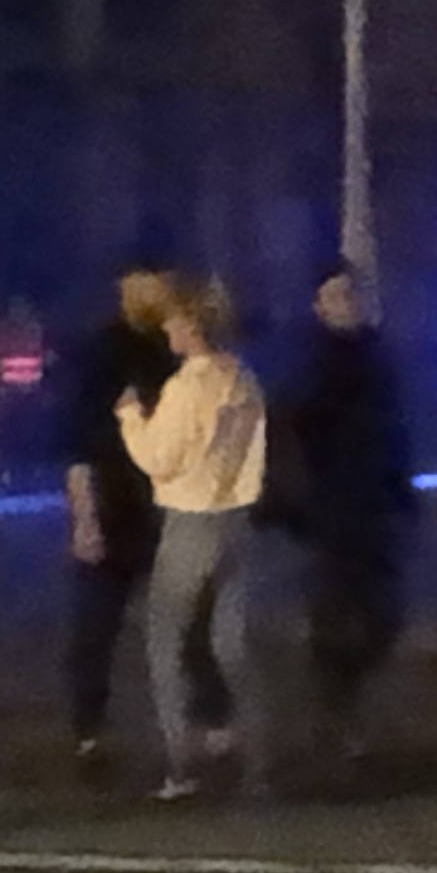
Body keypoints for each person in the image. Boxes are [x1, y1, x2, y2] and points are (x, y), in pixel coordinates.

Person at [118, 275, 270, 799]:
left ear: (191, 326)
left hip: (190, 517)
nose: (167, 333)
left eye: (173, 324)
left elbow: (158, 457)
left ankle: (180, 767)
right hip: (237, 516)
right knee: (232, 642)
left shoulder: (187, 387)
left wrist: (130, 418)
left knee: (165, 640)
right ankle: (259, 762)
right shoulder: (243, 377)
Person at [265, 266, 417, 778]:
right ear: (319, 305)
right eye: (335, 295)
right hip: (329, 507)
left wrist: (401, 490)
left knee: (385, 615)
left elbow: (395, 427)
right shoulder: (308, 360)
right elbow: (289, 427)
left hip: (374, 503)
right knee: (333, 611)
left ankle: (342, 693)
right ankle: (337, 713)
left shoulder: (378, 355)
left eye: (351, 293)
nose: (347, 302)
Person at [62, 253, 187, 777]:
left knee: (186, 617)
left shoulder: (177, 343)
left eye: (166, 280)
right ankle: (90, 730)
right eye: (153, 280)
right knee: (97, 623)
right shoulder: (103, 349)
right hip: (115, 500)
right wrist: (85, 516)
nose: (162, 290)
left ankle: (192, 724)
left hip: (172, 501)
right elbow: (77, 442)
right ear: (128, 285)